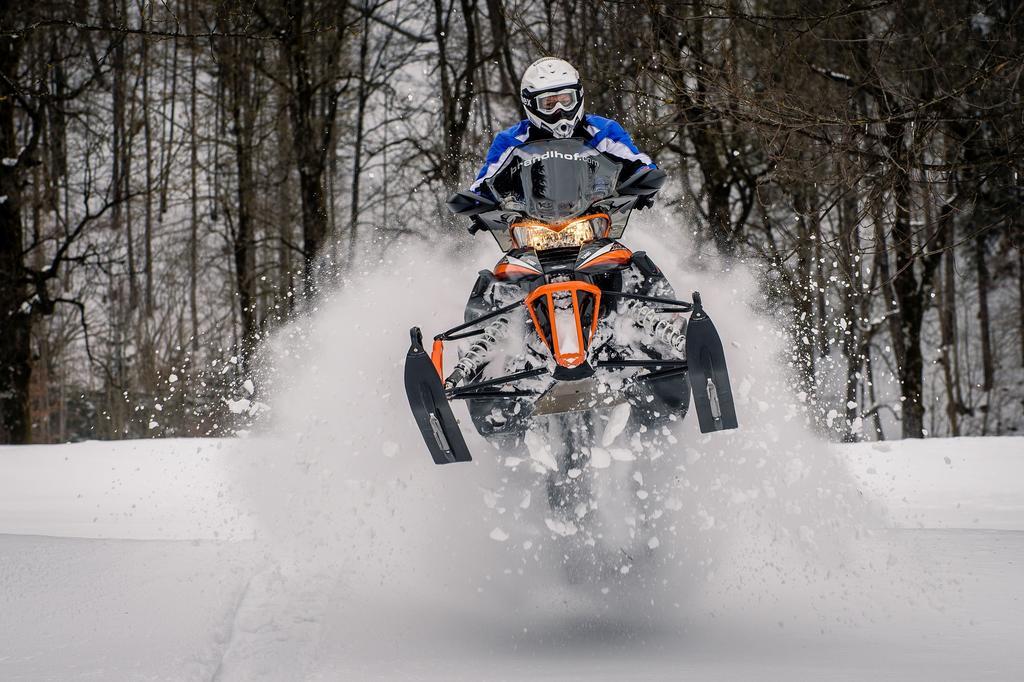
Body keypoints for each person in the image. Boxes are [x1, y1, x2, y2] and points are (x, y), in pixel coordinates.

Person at [470, 57, 658, 209]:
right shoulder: (511, 142)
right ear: (531, 105)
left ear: (578, 96)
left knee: (632, 257)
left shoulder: (603, 132)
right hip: (530, 233)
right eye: (549, 104)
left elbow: (639, 163)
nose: (559, 110)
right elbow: (484, 185)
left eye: (566, 100)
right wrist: (476, 202)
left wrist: (644, 178)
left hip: (598, 223)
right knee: (503, 259)